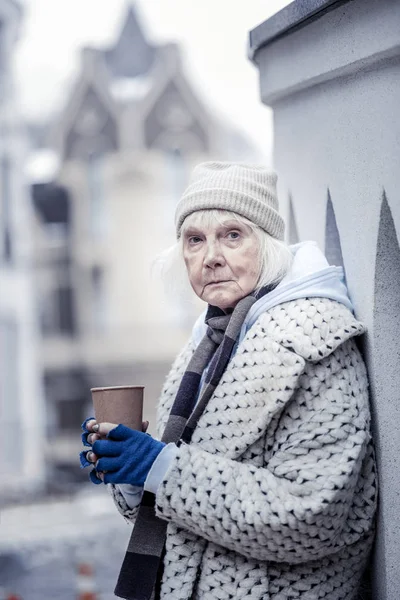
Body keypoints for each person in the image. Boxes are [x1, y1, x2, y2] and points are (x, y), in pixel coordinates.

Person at [80, 162, 377, 600]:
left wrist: (161, 467)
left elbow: (314, 516)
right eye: (195, 239)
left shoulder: (316, 340)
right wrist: (129, 471)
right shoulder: (208, 341)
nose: (211, 255)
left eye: (232, 235)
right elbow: (182, 510)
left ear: (269, 245)